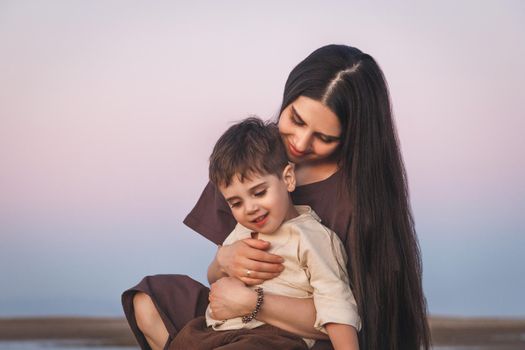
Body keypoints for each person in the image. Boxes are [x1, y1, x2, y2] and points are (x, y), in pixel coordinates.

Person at [122, 44, 431, 350]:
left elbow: (350, 316)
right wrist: (224, 260)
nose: (300, 142)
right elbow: (219, 278)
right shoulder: (251, 160)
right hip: (232, 320)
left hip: (301, 336)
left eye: (324, 137)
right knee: (148, 299)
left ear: (353, 135)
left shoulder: (358, 201)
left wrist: (253, 302)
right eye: (296, 120)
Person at [169, 117, 360, 350]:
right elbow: (217, 278)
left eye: (259, 193)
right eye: (236, 203)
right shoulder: (241, 231)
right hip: (221, 331)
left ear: (288, 179)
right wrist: (222, 261)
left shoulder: (312, 237)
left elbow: (336, 305)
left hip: (274, 338)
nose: (250, 208)